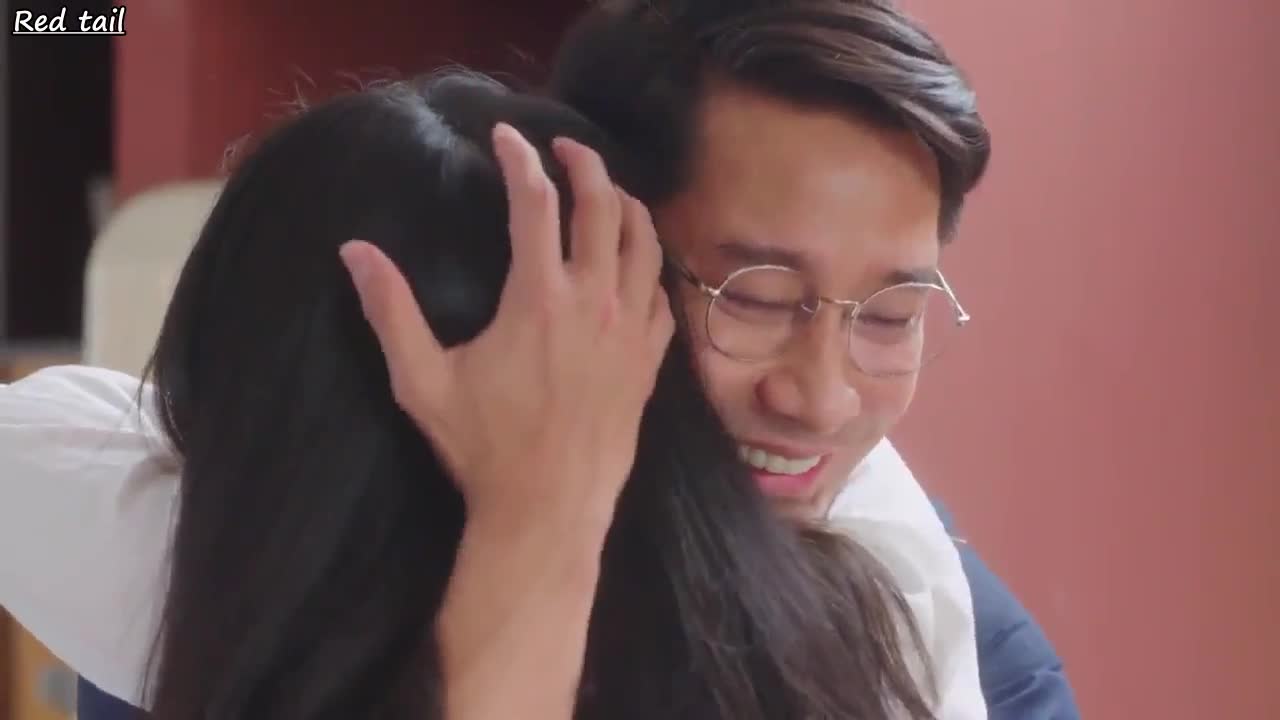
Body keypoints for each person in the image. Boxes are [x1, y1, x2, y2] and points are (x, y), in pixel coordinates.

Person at [10, 0, 1080, 717]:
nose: (821, 396)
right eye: (754, 298)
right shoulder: (236, 573)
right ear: (592, 247)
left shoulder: (921, 625)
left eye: (892, 316)